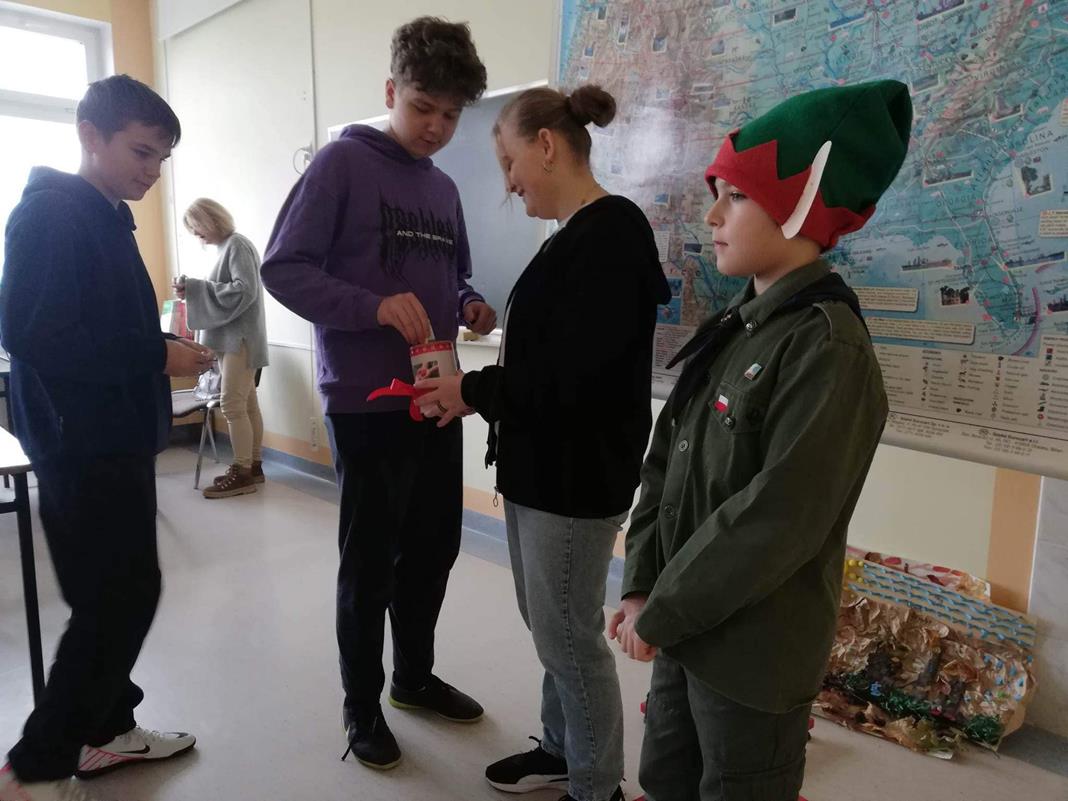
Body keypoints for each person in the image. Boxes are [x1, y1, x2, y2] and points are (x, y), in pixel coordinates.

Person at [609, 80, 912, 801]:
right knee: (665, 777)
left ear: (802, 204)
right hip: (686, 625)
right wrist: (643, 581)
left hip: (753, 654)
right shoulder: (741, 325)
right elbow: (668, 459)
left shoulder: (828, 348)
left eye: (736, 195)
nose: (712, 214)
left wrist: (666, 607)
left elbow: (778, 517)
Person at [418, 85, 671, 801]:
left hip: (575, 473)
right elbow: (548, 363)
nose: (508, 182)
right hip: (540, 467)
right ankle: (562, 750)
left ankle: (596, 786)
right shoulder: (574, 238)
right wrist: (478, 390)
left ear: (548, 146)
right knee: (550, 623)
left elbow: (570, 378)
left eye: (509, 161)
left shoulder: (611, 236)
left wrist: (470, 390)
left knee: (568, 636)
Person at [259, 16, 496, 771]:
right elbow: (283, 268)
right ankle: (360, 703)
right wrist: (372, 306)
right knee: (368, 562)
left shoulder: (445, 188)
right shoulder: (341, 164)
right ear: (391, 91)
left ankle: (413, 679)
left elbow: (454, 274)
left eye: (452, 115)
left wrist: (469, 303)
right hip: (365, 401)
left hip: (437, 396)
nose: (436, 127)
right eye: (424, 107)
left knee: (432, 549)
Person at [0, 74, 209, 801]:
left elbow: (97, 323)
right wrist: (156, 354)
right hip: (81, 444)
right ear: (91, 137)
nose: (152, 172)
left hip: (110, 437)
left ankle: (108, 728)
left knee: (108, 592)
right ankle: (36, 766)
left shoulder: (105, 213)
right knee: (118, 599)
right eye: (141, 153)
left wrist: (157, 348)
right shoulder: (52, 214)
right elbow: (35, 334)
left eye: (161, 159)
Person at [176, 198, 269, 499]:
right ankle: (253, 466)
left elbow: (245, 290)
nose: (195, 234)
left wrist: (196, 288)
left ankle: (242, 471)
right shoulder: (227, 247)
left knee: (231, 405)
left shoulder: (236, 245)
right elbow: (231, 290)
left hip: (239, 339)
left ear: (211, 220)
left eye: (196, 227)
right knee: (247, 404)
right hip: (236, 339)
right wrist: (192, 290)